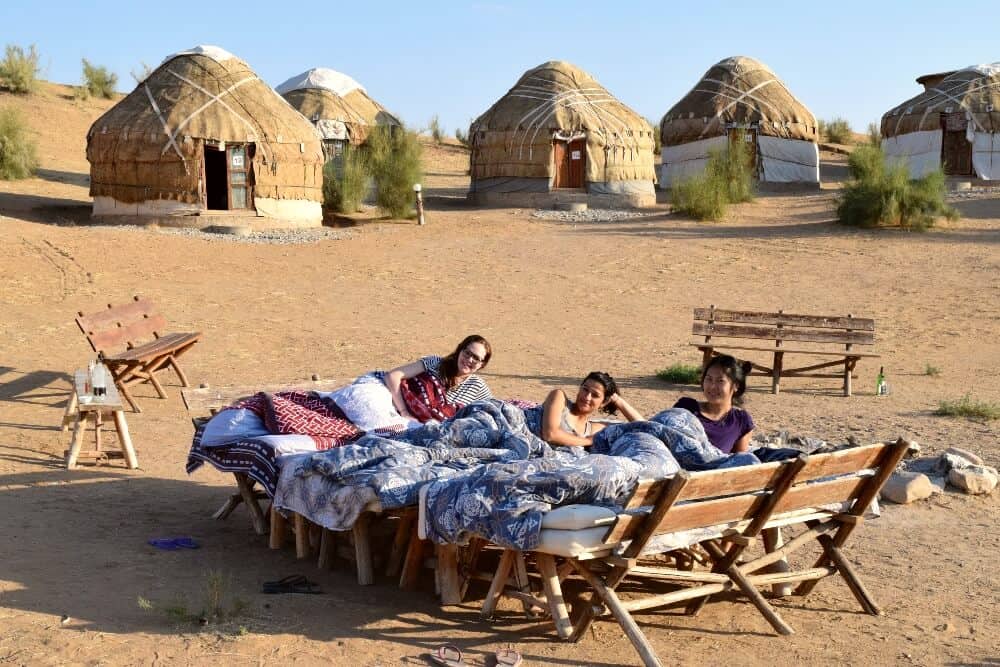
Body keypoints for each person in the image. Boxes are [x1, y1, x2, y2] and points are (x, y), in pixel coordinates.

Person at [384, 335, 494, 421]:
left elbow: (496, 410)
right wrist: (404, 412)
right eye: (467, 353)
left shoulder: (477, 386)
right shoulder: (435, 363)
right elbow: (393, 376)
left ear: (482, 365)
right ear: (459, 350)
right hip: (405, 418)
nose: (469, 359)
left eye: (476, 358)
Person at [536, 371, 643, 447]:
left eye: (595, 395)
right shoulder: (559, 397)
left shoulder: (594, 429)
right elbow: (550, 434)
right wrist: (587, 441)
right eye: (585, 390)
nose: (587, 397)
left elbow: (645, 427)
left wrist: (617, 400)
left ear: (604, 403)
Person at [673, 355, 754, 454]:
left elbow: (738, 462)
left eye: (720, 381)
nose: (712, 386)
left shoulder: (741, 420)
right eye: (709, 379)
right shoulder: (686, 408)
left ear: (736, 385)